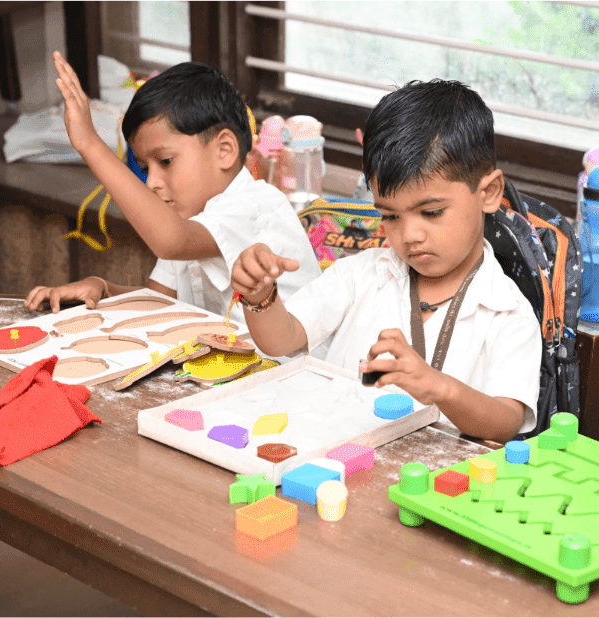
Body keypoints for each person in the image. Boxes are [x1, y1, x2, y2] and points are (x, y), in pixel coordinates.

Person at [230, 79, 542, 443]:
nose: (409, 234)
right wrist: (260, 298)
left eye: (431, 212)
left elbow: (506, 421)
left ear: (488, 193)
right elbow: (283, 341)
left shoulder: (508, 313)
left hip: (437, 477)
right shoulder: (361, 275)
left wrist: (441, 388)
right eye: (390, 216)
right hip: (340, 458)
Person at [24, 52, 320, 322]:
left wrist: (89, 143)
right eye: (145, 168)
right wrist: (102, 291)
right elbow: (159, 303)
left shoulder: (254, 207)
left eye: (165, 161)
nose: (151, 182)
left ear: (225, 150)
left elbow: (171, 240)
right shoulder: (188, 218)